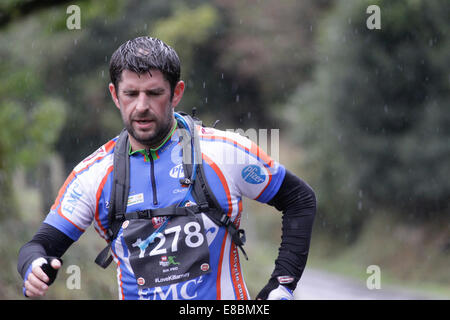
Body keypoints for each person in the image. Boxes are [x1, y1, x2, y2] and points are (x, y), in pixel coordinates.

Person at [17, 36, 316, 300]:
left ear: (176, 93)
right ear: (114, 95)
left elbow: (299, 199)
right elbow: (40, 246)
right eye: (131, 94)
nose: (142, 106)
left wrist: (282, 284)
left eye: (154, 93)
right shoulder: (92, 176)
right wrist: (34, 267)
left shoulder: (225, 153)